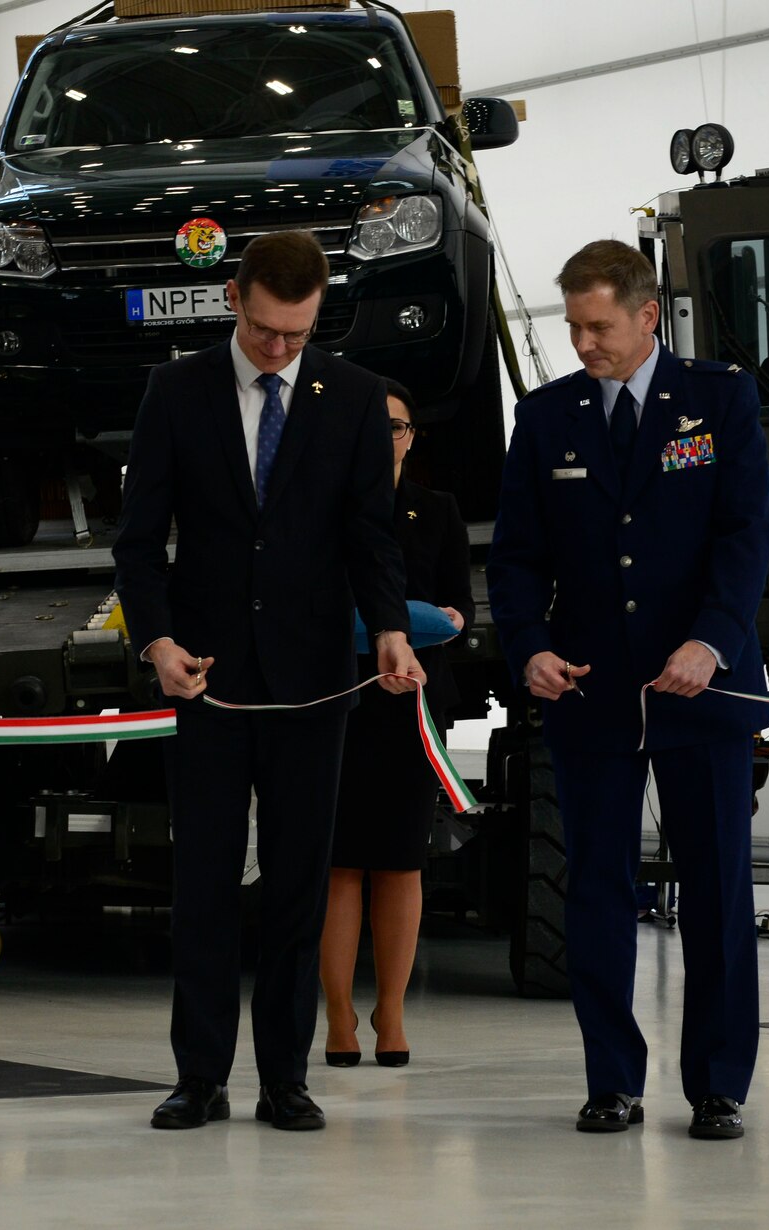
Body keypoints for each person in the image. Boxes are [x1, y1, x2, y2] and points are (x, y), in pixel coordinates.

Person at [113, 230, 426, 1133]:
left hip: (312, 684)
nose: (278, 349)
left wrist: (393, 635)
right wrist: (157, 642)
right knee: (205, 886)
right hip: (205, 681)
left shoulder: (357, 400)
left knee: (298, 886)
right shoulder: (176, 392)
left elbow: (372, 540)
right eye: (263, 331)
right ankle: (199, 1077)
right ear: (232, 299)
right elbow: (139, 544)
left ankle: (285, 1078)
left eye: (297, 333)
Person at [487, 239, 769, 1140]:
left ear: (648, 316)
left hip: (702, 690)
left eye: (599, 326)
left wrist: (713, 643)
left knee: (718, 890)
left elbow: (747, 534)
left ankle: (719, 1083)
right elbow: (517, 557)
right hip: (590, 693)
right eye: (573, 327)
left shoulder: (718, 398)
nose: (584, 343)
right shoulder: (544, 417)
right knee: (597, 894)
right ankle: (611, 1079)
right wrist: (530, 648)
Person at [319, 379, 475, 1070]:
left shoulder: (437, 511)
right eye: (371, 425)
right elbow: (315, 612)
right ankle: (340, 1016)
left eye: (397, 427)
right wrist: (395, 625)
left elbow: (456, 615)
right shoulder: (317, 508)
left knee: (401, 860)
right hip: (339, 700)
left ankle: (392, 1010)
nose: (386, 437)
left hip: (411, 705)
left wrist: (411, 628)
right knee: (340, 863)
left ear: (413, 436)